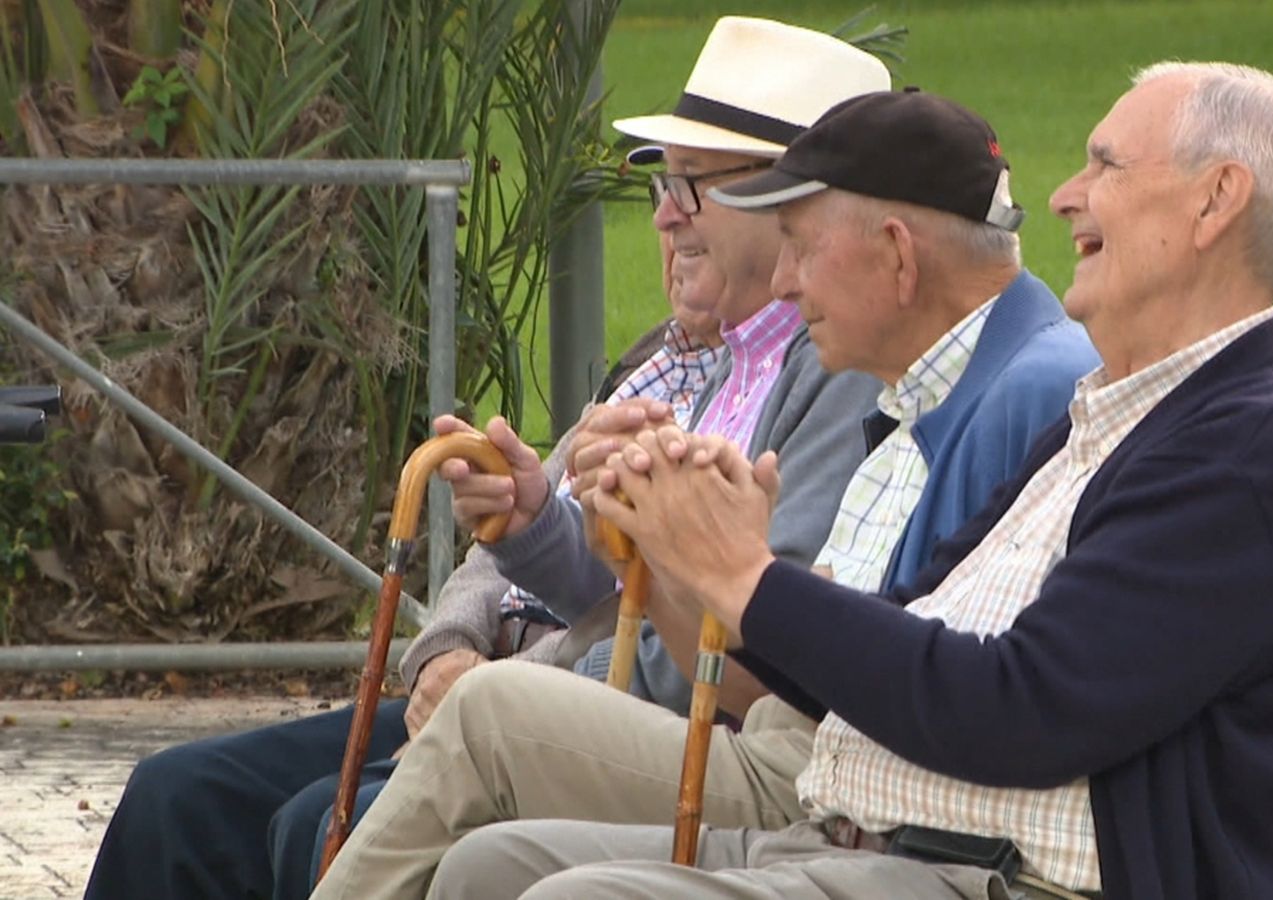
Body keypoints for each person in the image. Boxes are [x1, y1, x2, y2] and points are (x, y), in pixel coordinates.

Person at [459, 61, 1273, 900]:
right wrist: (692, 551)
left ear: (1214, 201)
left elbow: (1020, 709)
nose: (1066, 195)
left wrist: (746, 575)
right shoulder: (1108, 417)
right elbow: (908, 627)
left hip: (1000, 874)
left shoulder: (1263, 450)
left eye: (1107, 165)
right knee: (488, 870)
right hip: (892, 841)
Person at [309, 89, 1100, 900]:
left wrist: (709, 560)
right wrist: (655, 539)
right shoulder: (917, 388)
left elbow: (921, 694)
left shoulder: (1018, 392)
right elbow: (777, 670)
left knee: (480, 730)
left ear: (898, 255)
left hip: (860, 796)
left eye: (800, 245)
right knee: (468, 840)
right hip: (808, 756)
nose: (786, 284)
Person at [81, 185, 729, 900]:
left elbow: (645, 621)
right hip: (485, 687)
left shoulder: (778, 390)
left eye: (696, 185)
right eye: (664, 186)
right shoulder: (656, 360)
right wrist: (444, 649)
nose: (667, 216)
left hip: (555, 713)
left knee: (320, 823)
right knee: (175, 795)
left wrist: (484, 691)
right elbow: (495, 560)